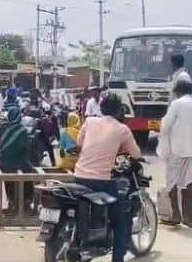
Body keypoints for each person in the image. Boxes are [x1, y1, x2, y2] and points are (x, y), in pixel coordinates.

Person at [74, 94, 141, 262]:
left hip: (79, 177)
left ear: (101, 108)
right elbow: (136, 154)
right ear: (119, 110)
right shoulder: (122, 129)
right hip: (101, 182)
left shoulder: (89, 122)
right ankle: (117, 259)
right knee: (120, 221)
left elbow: (79, 144)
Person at [157, 80, 192, 227]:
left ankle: (176, 215)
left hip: (176, 150)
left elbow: (166, 125)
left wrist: (161, 134)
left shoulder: (177, 104)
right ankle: (190, 218)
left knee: (172, 182)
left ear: (177, 91)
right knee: (190, 182)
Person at [0, 106, 34, 213]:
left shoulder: (2, 127)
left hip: (3, 162)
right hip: (19, 162)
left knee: (8, 181)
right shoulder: (22, 130)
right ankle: (26, 203)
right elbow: (26, 148)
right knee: (29, 175)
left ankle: (11, 203)